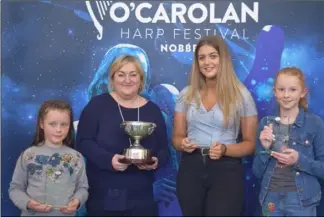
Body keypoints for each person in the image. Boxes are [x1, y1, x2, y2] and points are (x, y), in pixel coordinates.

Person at [172, 35, 258, 216]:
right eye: (201, 57)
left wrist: (225, 149)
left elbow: (250, 144)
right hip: (190, 169)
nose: (207, 62)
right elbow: (177, 138)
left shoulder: (242, 95)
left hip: (226, 170)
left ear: (223, 59)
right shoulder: (185, 94)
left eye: (212, 56)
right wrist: (183, 144)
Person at [75, 54, 170, 216]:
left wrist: (155, 161)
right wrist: (109, 160)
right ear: (112, 79)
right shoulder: (97, 105)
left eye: (133, 75)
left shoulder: (152, 110)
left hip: (143, 198)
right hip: (104, 195)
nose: (127, 80)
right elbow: (84, 142)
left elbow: (163, 150)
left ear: (141, 79)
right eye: (121, 74)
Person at [252, 67, 324, 216]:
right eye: (281, 89)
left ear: (303, 92)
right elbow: (257, 172)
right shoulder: (266, 123)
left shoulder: (315, 123)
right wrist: (265, 148)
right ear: (275, 92)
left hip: (302, 202)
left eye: (292, 90)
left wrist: (298, 160)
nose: (286, 95)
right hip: (270, 200)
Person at [8, 100, 88, 216]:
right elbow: (15, 189)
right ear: (42, 124)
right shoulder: (28, 155)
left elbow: (82, 188)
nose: (58, 130)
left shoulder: (76, 157)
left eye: (64, 124)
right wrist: (28, 203)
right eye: (52, 124)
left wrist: (77, 201)